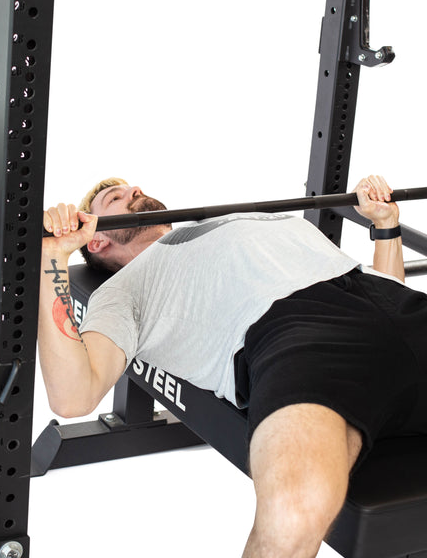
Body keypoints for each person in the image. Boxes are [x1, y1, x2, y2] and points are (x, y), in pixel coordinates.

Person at [38, 175, 426, 558]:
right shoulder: (125, 290)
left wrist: (385, 224)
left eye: (133, 187)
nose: (135, 190)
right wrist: (53, 256)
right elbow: (73, 395)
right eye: (116, 198)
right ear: (97, 239)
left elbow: (392, 297)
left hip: (390, 301)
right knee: (294, 511)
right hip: (296, 337)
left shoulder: (243, 219)